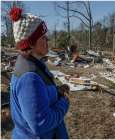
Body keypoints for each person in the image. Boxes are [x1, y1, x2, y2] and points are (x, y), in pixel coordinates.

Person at [9, 7, 70, 139]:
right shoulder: (29, 78)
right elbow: (41, 124)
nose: (47, 40)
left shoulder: (34, 64)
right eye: (43, 37)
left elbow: (39, 96)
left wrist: (56, 92)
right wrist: (64, 102)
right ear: (30, 43)